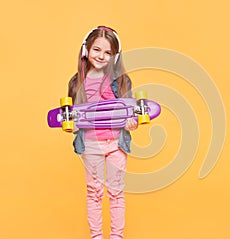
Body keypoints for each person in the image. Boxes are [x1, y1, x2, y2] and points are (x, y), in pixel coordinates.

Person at [68, 26, 137, 239]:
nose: (101, 56)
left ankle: (117, 236)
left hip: (116, 144)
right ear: (85, 50)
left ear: (115, 57)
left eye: (108, 53)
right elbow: (72, 117)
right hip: (91, 144)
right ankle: (96, 236)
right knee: (94, 193)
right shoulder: (76, 82)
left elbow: (130, 112)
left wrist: (130, 122)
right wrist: (71, 124)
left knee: (116, 193)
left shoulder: (122, 81)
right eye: (97, 49)